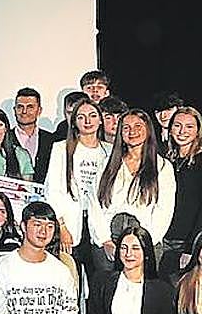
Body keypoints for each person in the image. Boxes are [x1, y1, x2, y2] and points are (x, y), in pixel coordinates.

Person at [87, 109, 176, 276]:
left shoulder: (163, 167)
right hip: (108, 240)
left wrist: (141, 244)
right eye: (126, 127)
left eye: (138, 126)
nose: (132, 131)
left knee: (142, 289)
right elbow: (94, 204)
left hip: (145, 239)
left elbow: (164, 210)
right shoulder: (106, 164)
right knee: (107, 288)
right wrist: (104, 240)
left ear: (148, 129)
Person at [46, 97, 110, 267]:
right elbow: (52, 190)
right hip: (70, 223)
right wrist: (61, 227)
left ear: (100, 120)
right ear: (74, 122)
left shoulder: (110, 151)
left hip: (101, 225)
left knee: (101, 276)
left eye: (93, 115)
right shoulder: (61, 148)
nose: (87, 121)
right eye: (81, 117)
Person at [161, 105, 202, 282]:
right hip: (162, 237)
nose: (182, 131)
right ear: (170, 129)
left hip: (188, 241)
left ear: (198, 131)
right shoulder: (164, 160)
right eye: (177, 125)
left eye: (189, 126)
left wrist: (191, 247)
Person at [12, 87, 55, 183]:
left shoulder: (51, 140)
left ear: (39, 110)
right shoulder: (4, 138)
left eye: (30, 107)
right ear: (14, 110)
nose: (24, 111)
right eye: (20, 107)